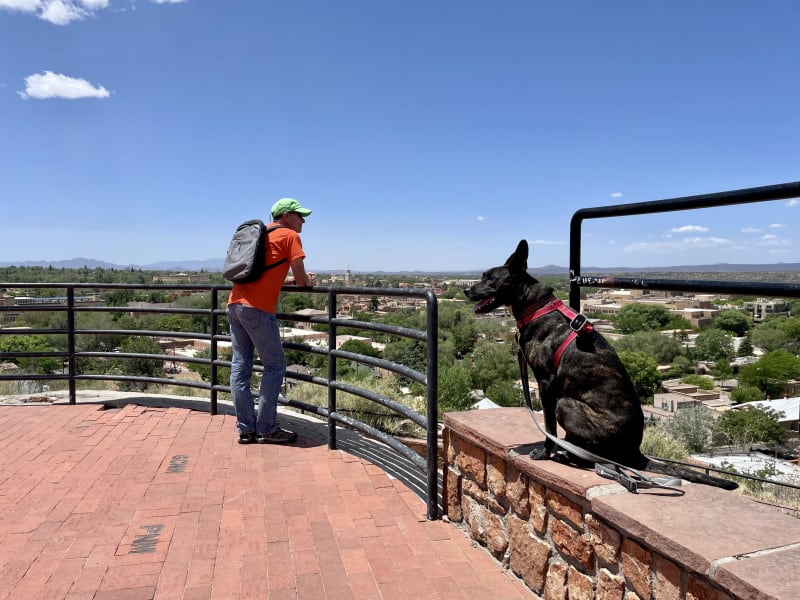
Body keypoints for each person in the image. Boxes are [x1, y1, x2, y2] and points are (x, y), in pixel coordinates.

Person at [226, 198, 314, 444]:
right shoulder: (289, 236)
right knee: (274, 366)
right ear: (286, 216)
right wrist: (308, 281)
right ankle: (267, 428)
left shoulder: (260, 235)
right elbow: (301, 277)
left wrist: (292, 281)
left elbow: (264, 275)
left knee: (240, 367)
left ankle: (246, 429)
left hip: (235, 305)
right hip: (257, 309)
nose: (303, 220)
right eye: (299, 215)